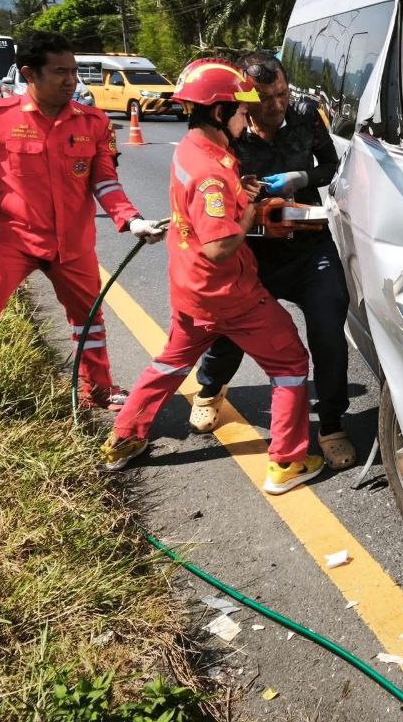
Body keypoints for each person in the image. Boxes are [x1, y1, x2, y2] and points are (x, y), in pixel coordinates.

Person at [102, 59, 325, 495]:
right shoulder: (211, 173)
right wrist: (246, 210)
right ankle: (287, 462)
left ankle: (123, 438)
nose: (249, 118)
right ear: (221, 113)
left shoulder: (190, 150)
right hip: (230, 293)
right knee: (291, 362)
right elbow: (220, 247)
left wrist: (238, 190)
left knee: (170, 361)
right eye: (242, 111)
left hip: (191, 289)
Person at [0, 31, 164, 437]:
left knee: (88, 319)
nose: (71, 80)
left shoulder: (94, 122)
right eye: (60, 72)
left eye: (73, 71)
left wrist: (130, 218)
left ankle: (98, 390)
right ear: (29, 74)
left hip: (72, 241)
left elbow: (104, 181)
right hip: (10, 237)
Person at [188, 54, 355, 470]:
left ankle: (332, 424)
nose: (276, 106)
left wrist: (301, 179)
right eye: (264, 99)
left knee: (328, 327)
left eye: (281, 94)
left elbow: (331, 166)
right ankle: (210, 389)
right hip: (254, 252)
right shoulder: (232, 130)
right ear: (243, 98)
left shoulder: (304, 115)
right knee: (231, 330)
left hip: (308, 244)